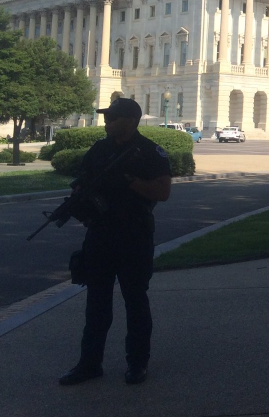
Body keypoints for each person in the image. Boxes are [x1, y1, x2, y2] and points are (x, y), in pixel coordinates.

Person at [59, 97, 172, 386]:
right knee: (96, 303)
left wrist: (128, 180)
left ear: (131, 121)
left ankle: (137, 364)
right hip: (100, 234)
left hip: (134, 234)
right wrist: (79, 204)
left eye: (113, 118)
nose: (107, 122)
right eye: (107, 117)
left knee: (135, 301)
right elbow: (82, 181)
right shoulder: (99, 149)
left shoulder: (149, 152)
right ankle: (89, 363)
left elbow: (162, 192)